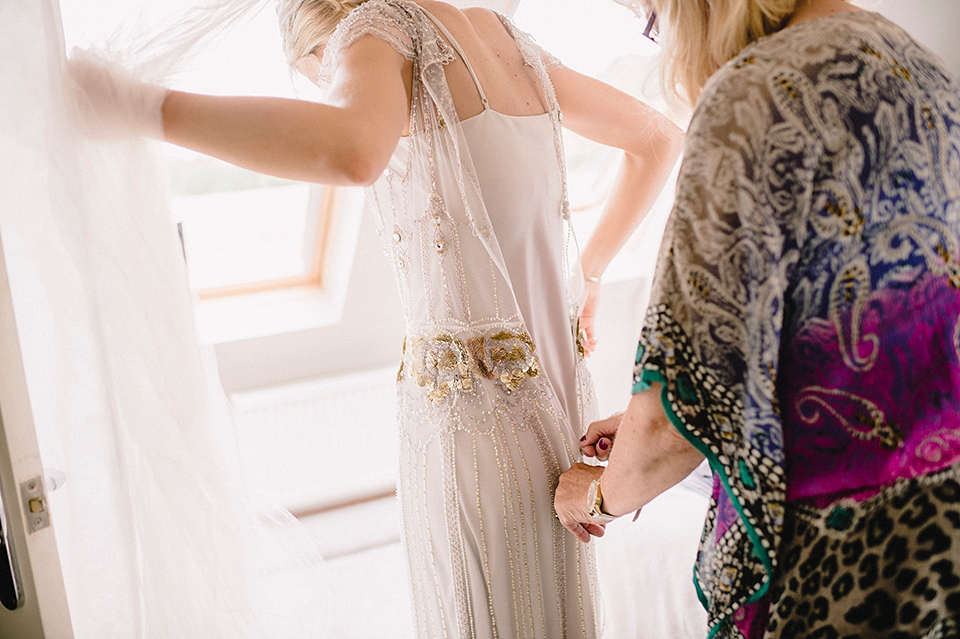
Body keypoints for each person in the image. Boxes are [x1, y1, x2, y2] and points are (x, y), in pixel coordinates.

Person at [70, 0, 682, 636]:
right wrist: (589, 271)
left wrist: (142, 107)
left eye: (326, 79)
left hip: (471, 419)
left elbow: (353, 151)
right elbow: (657, 138)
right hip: (558, 392)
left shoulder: (375, 26)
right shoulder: (504, 38)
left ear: (324, 49)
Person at [555, 0, 960, 637]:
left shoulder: (756, 98)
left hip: (831, 562)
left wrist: (595, 494)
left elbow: (672, 417)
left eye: (653, 16)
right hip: (939, 536)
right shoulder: (918, 67)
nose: (662, 39)